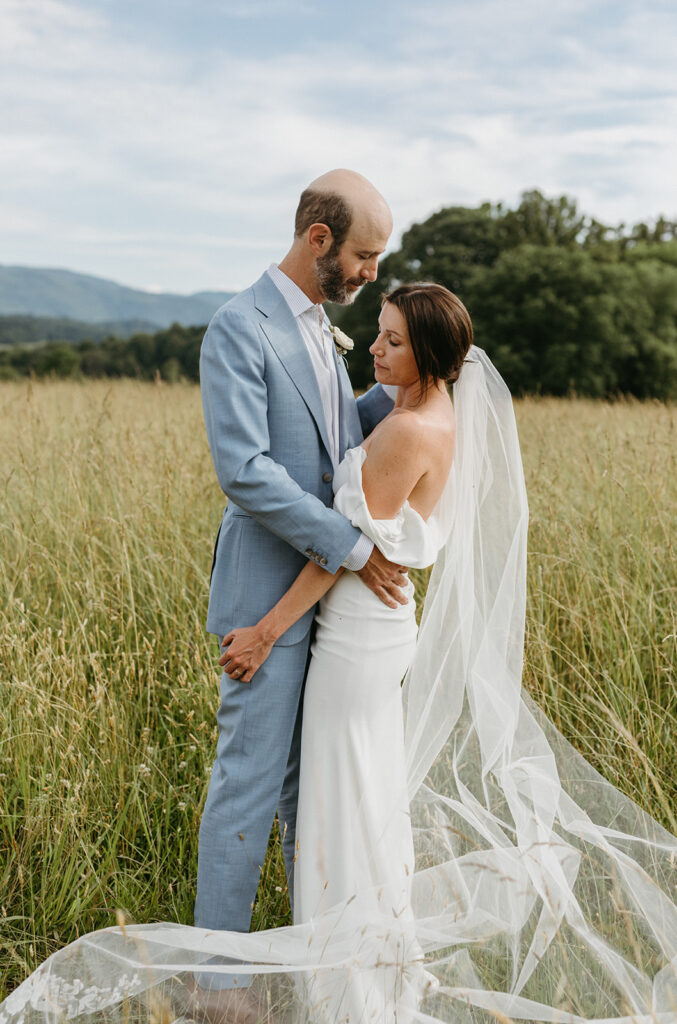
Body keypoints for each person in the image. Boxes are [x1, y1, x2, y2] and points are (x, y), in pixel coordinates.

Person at [3, 291, 677, 1024]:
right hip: (375, 628)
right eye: (377, 337)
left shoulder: (404, 434)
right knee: (356, 794)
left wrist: (263, 631)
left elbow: (339, 555)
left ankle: (350, 988)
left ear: (425, 353)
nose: (374, 351)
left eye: (390, 342)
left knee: (339, 799)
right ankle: (355, 970)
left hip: (356, 635)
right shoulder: (425, 415)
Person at [192, 169, 404, 1020]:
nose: (368, 275)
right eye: (361, 256)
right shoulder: (237, 327)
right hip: (266, 595)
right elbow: (246, 471)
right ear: (318, 239)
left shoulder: (322, 331)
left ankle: (309, 953)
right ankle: (218, 984)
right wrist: (352, 547)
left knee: (304, 791)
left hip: (331, 608)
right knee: (247, 782)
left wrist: (411, 391)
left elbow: (328, 443)